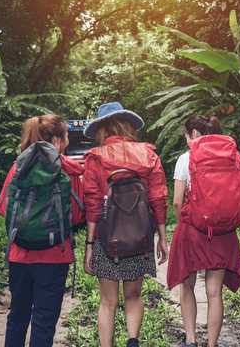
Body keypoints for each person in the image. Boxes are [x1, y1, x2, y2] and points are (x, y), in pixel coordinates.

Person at [167, 115, 240, 347]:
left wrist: (184, 223)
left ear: (194, 135)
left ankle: (190, 340)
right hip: (223, 231)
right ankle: (212, 343)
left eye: (187, 136)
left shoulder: (185, 159)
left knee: (187, 285)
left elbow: (177, 202)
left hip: (193, 230)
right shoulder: (232, 157)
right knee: (214, 291)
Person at [82, 102, 169, 347]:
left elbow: (93, 204)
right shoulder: (148, 154)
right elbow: (158, 197)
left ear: (102, 130)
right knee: (133, 296)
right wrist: (161, 237)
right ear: (128, 126)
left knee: (107, 302)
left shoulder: (95, 158)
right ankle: (132, 340)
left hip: (107, 239)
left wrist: (90, 244)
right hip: (140, 236)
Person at [0, 114, 84, 347]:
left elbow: (2, 206)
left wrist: (28, 220)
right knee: (44, 321)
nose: (66, 142)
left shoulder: (18, 167)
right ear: (56, 140)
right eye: (65, 137)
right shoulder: (69, 171)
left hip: (19, 254)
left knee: (17, 316)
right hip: (55, 255)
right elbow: (76, 215)